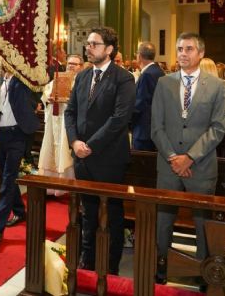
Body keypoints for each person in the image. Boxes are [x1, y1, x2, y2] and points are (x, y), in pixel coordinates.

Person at [150, 33, 225, 284]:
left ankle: (203, 271)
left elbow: (217, 128)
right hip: (168, 163)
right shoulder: (164, 83)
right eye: (180, 48)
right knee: (163, 220)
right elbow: (156, 127)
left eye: (189, 49)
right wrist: (174, 157)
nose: (183, 53)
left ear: (201, 53)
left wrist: (189, 158)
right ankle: (162, 265)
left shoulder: (216, 85)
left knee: (202, 222)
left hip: (201, 166)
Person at [65, 26, 135, 275]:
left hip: (109, 159)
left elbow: (119, 119)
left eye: (94, 44)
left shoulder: (123, 78)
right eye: (88, 44)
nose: (88, 48)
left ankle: (110, 268)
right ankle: (87, 263)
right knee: (88, 213)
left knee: (113, 216)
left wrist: (90, 145)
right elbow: (70, 111)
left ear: (108, 49)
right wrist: (74, 142)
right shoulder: (83, 77)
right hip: (82, 156)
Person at [0, 69, 39, 243]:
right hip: (0, 135)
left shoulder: (21, 83)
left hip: (17, 136)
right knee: (6, 176)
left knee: (7, 180)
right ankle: (19, 211)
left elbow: (32, 99)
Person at [38, 54, 84, 195]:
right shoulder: (58, 78)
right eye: (69, 63)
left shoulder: (81, 82)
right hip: (55, 120)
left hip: (68, 123)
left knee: (65, 150)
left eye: (74, 64)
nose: (71, 66)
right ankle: (51, 187)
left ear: (80, 67)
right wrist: (49, 98)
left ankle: (68, 186)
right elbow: (45, 94)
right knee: (51, 149)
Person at [131, 42, 164, 151]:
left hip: (143, 131)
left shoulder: (147, 75)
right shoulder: (159, 71)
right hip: (155, 129)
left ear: (139, 56)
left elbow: (140, 104)